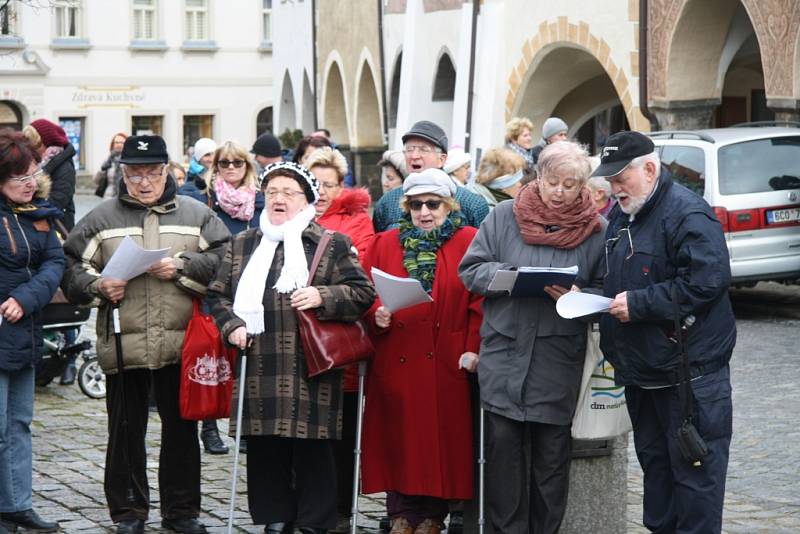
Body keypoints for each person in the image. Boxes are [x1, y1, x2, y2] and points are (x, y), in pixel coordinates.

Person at [61, 135, 230, 534]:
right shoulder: (101, 218)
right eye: (134, 174)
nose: (143, 182)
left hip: (180, 342)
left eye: (151, 172)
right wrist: (97, 286)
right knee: (124, 431)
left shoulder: (197, 213)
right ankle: (128, 513)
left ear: (167, 170)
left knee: (181, 430)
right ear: (122, 174)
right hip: (123, 341)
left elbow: (226, 258)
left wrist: (183, 266)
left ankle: (182, 511)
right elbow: (71, 268)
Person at [206, 161, 375, 534]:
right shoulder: (243, 243)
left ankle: (315, 521)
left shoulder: (331, 243)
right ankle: (275, 517)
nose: (278, 199)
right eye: (271, 192)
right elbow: (216, 297)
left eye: (288, 192)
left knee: (313, 447)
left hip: (309, 363)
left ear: (307, 200)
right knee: (265, 446)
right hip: (260, 360)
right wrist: (231, 325)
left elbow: (363, 293)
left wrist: (322, 295)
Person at [459, 141, 606, 534]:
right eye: (552, 181)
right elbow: (470, 270)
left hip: (556, 357)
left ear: (584, 187)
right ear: (537, 177)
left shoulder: (597, 230)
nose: (559, 191)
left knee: (551, 459)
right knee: (503, 454)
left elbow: (609, 294)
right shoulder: (503, 216)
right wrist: (507, 277)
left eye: (570, 184)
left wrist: (581, 298)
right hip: (505, 351)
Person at [592, 131, 735, 534]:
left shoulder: (688, 214)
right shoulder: (624, 214)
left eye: (621, 178)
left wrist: (637, 305)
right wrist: (587, 297)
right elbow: (618, 279)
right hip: (644, 373)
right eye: (610, 180)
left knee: (695, 484)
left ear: (650, 169)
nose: (614, 188)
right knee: (657, 480)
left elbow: (707, 282)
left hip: (690, 378)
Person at [360, 168, 483, 534]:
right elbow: (366, 291)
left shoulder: (468, 240)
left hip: (446, 357)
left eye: (433, 204)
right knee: (397, 437)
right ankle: (400, 512)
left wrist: (472, 348)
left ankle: (433, 514)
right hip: (397, 351)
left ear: (448, 206)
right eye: (416, 205)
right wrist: (375, 314)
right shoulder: (385, 242)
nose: (424, 212)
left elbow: (480, 302)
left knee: (440, 442)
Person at [303, 147, 374, 531]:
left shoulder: (356, 223)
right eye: (315, 184)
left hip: (338, 343)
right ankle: (308, 505)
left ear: (340, 186)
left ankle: (341, 508)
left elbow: (360, 274)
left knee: (343, 434)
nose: (322, 192)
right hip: (298, 344)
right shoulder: (292, 217)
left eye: (329, 184)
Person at [0, 130, 64, 534]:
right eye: (18, 176)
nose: (29, 182)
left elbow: (54, 263)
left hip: (23, 329)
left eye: (32, 173)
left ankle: (16, 504)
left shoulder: (40, 214)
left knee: (19, 423)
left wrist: (26, 297)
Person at [372, 121, 489, 232]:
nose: (414, 156)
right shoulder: (386, 203)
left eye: (424, 150)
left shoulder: (473, 204)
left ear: (441, 159)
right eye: (409, 149)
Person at [179, 140, 265, 235]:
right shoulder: (202, 198)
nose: (231, 167)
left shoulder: (261, 200)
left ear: (247, 166)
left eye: (237, 162)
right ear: (216, 166)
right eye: (224, 163)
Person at [22, 119, 77, 230]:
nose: (31, 150)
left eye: (35, 145)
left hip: (58, 227)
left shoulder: (64, 167)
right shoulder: (38, 163)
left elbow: (57, 202)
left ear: (47, 143)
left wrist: (28, 210)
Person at [94, 132, 128, 199]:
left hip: (126, 198)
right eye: (116, 142)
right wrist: (102, 170)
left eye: (122, 143)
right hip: (108, 198)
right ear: (112, 145)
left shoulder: (130, 161)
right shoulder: (108, 160)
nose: (119, 145)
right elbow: (96, 181)